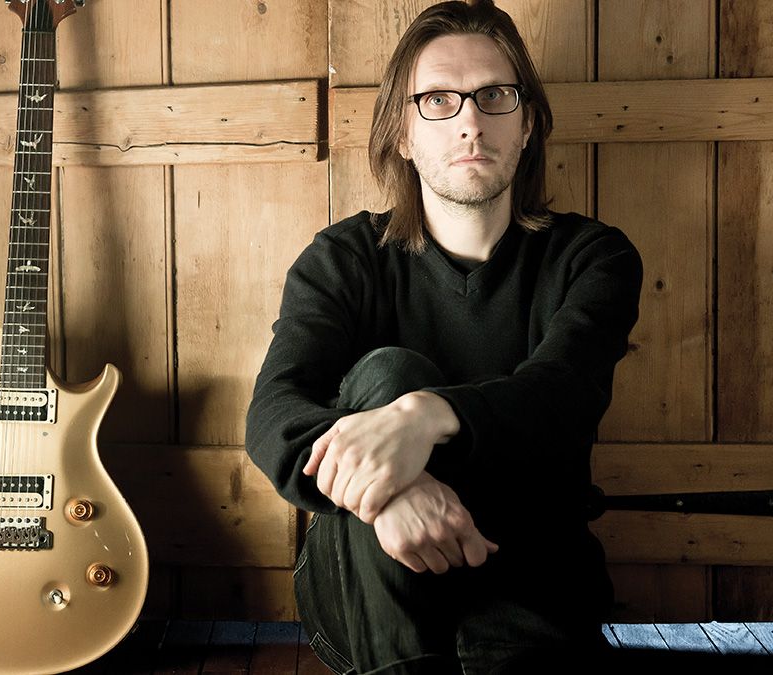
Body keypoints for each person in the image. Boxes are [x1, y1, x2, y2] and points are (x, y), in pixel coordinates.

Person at [245, 0, 642, 672]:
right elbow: (273, 415)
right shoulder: (344, 260)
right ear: (402, 132)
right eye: (437, 100)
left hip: (529, 583)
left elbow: (563, 395)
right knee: (386, 373)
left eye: (494, 95)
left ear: (528, 125)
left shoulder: (592, 257)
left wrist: (426, 418)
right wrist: (392, 489)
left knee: (399, 397)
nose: (469, 121)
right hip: (365, 591)